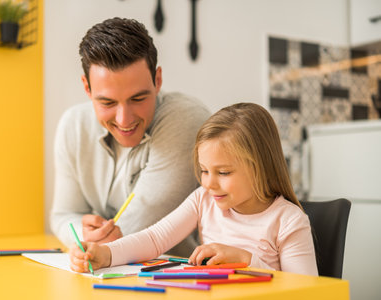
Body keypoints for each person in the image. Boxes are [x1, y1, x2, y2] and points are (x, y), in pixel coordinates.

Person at [69, 103, 318, 276]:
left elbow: (309, 293)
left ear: (261, 167)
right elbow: (155, 238)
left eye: (223, 173)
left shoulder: (288, 220)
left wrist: (247, 260)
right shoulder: (204, 200)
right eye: (204, 170)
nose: (208, 183)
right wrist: (104, 253)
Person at [50, 17, 210, 257]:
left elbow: (132, 230)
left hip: (177, 278)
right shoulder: (73, 126)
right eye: (108, 102)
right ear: (87, 88)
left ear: (157, 81)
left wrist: (96, 242)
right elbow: (62, 215)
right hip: (104, 273)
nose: (124, 120)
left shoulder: (186, 119)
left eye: (138, 99)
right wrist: (83, 234)